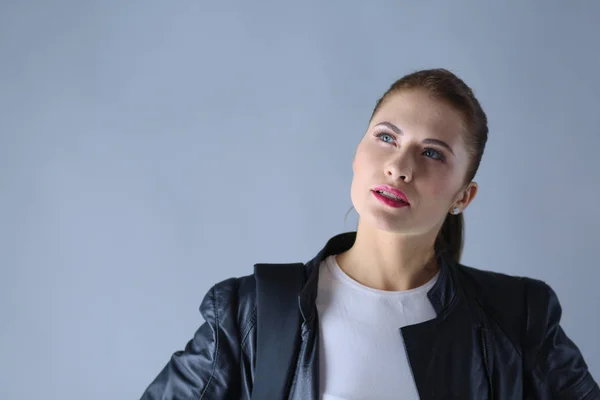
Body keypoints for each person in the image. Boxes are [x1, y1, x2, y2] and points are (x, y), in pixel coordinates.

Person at [140, 69, 599, 399]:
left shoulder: (516, 319)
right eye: (386, 137)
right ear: (358, 152)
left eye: (433, 154)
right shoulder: (252, 316)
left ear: (464, 196)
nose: (400, 167)